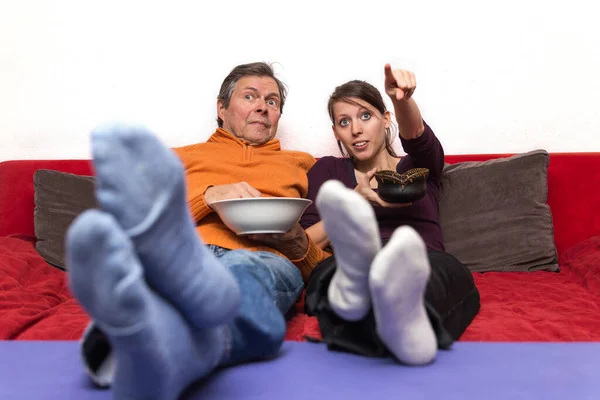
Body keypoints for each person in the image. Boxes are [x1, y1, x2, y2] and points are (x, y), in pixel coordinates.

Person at [67, 62, 331, 400]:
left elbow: (322, 270)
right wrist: (207, 197)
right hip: (187, 253)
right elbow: (133, 226)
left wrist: (297, 243)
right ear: (221, 109)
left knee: (242, 272)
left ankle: (134, 344)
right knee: (160, 269)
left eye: (272, 101)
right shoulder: (175, 159)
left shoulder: (306, 165)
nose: (263, 106)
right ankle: (171, 331)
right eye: (250, 96)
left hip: (261, 259)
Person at [300, 64, 481, 365]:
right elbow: (303, 246)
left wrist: (400, 100)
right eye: (344, 122)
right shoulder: (327, 172)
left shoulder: (418, 166)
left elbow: (418, 138)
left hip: (420, 260)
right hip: (349, 263)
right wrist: (353, 205)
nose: (355, 129)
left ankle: (385, 310)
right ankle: (377, 301)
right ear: (336, 132)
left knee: (451, 273)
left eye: (365, 116)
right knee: (328, 271)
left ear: (386, 120)